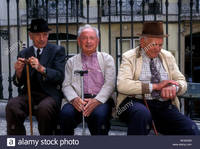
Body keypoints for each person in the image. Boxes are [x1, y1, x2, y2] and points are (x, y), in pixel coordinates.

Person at [117, 21, 200, 135]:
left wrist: (174, 88)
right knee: (142, 114)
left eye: (160, 45)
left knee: (191, 129)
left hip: (163, 105)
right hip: (134, 103)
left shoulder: (168, 56)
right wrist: (155, 86)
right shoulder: (129, 57)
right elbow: (122, 85)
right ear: (142, 42)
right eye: (153, 44)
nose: (157, 49)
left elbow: (181, 81)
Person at [6, 18, 66, 135]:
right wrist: (18, 72)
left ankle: (46, 140)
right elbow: (19, 82)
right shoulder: (24, 53)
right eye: (38, 35)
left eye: (45, 34)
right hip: (29, 94)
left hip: (49, 95)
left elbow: (60, 76)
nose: (42, 38)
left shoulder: (57, 50)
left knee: (44, 109)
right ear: (30, 36)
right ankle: (18, 141)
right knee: (12, 105)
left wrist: (41, 68)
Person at [60, 24, 115, 135]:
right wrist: (74, 99)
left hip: (100, 100)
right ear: (79, 41)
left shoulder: (107, 59)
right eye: (84, 38)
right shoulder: (71, 61)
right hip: (78, 100)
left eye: (92, 38)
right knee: (66, 115)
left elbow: (110, 84)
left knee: (99, 117)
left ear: (97, 41)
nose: (88, 41)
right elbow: (66, 85)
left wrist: (97, 100)